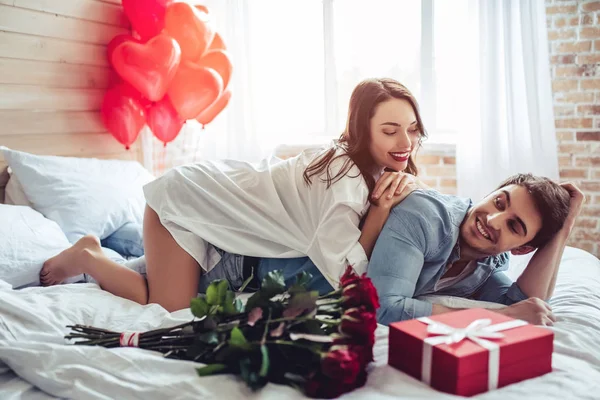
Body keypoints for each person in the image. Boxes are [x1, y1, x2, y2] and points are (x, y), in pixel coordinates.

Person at [40, 78, 429, 312]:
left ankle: (101, 251)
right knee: (167, 308)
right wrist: (378, 212)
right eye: (390, 130)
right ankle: (86, 255)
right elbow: (346, 274)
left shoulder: (369, 166)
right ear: (363, 129)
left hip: (216, 211)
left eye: (412, 129)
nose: (405, 141)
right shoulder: (343, 179)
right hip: (183, 201)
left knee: (163, 275)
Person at [250, 174, 584, 327]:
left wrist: (564, 229)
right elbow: (382, 309)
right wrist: (501, 317)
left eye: (514, 226)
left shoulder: (488, 263)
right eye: (499, 201)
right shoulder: (425, 216)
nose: (493, 219)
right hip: (248, 267)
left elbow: (524, 305)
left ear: (524, 248)